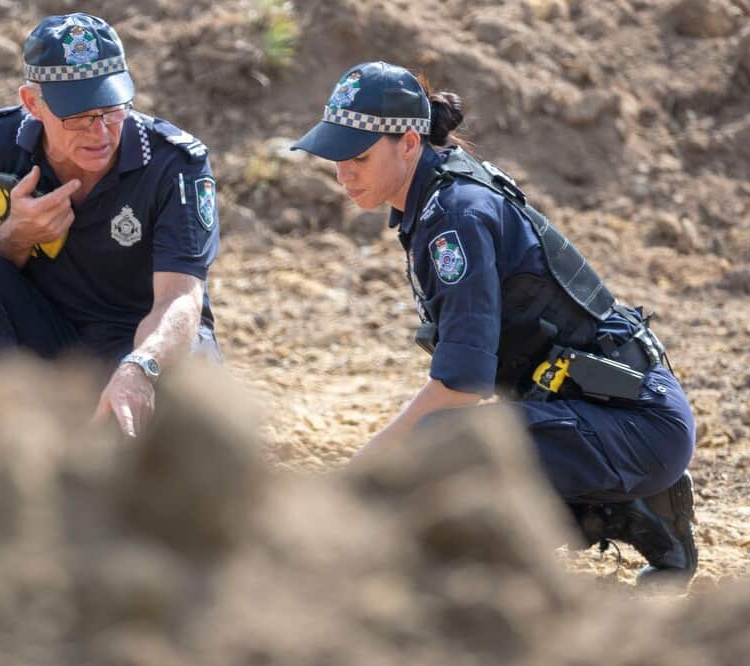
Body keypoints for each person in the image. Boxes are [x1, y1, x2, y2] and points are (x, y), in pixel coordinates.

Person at [290, 61, 699, 586]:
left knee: (440, 453)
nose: (344, 173)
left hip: (635, 425)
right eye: (336, 157)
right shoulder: (439, 197)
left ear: (409, 143)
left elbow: (460, 387)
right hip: (611, 414)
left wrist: (360, 472)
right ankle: (636, 513)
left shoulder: (453, 217)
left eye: (359, 156)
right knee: (450, 450)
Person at [0, 12, 221, 438]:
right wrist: (15, 236)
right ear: (32, 104)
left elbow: (180, 299)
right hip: (47, 340)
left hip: (139, 340)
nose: (99, 132)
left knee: (177, 379)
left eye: (112, 110)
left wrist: (142, 366)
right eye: (78, 116)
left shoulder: (173, 164)